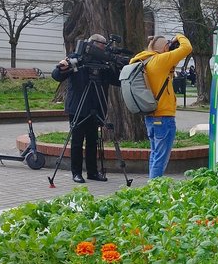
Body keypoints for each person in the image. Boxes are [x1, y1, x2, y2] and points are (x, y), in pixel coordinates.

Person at [52, 33, 120, 184]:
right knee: (77, 141)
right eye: (100, 46)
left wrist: (115, 65)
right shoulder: (77, 58)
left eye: (104, 46)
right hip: (78, 107)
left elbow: (117, 80)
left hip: (96, 107)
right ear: (91, 45)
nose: (102, 49)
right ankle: (76, 173)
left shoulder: (103, 63)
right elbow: (56, 75)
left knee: (93, 141)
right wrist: (63, 66)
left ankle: (93, 172)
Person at [128, 34, 193, 179]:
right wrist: (179, 36)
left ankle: (151, 187)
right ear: (165, 48)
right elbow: (187, 48)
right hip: (163, 117)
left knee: (155, 153)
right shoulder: (160, 60)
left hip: (151, 117)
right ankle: (155, 189)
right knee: (161, 157)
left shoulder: (145, 60)